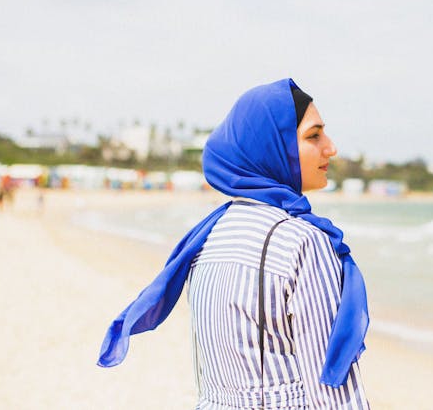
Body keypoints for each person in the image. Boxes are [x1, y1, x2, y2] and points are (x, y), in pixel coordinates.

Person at [98, 79, 370, 409]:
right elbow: (331, 388)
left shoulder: (208, 237)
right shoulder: (302, 242)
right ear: (273, 146)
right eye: (314, 135)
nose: (331, 147)